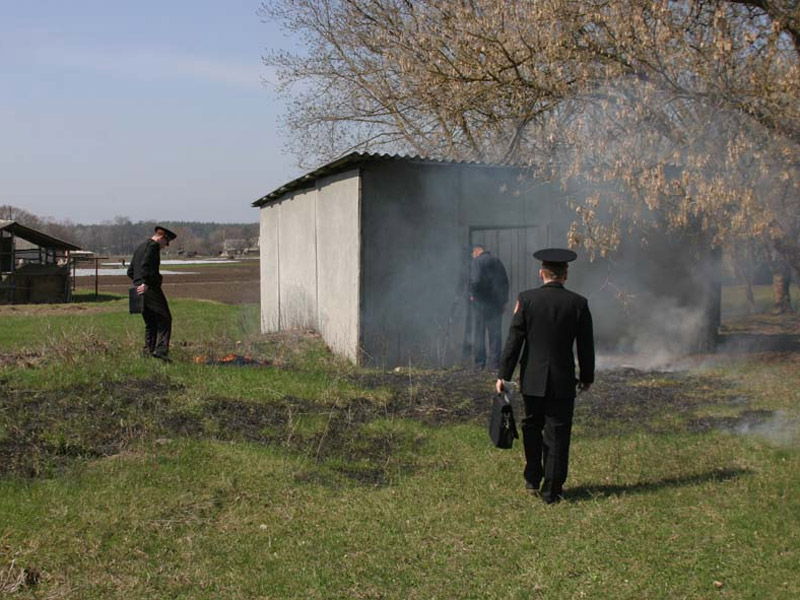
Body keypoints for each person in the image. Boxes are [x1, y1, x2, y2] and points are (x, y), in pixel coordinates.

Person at [496, 248, 594, 504]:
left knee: (531, 426)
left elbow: (514, 340)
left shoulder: (526, 300)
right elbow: (585, 345)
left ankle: (532, 476)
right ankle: (552, 490)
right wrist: (587, 376)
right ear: (566, 275)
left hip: (532, 379)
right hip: (562, 380)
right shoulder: (579, 304)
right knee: (558, 433)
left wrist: (503, 375)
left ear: (542, 274)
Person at [127, 225, 177, 362]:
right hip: (150, 289)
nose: (165, 246)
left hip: (138, 289)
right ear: (161, 238)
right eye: (166, 242)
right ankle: (161, 350)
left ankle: (147, 352)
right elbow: (145, 265)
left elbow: (130, 271)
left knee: (151, 323)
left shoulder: (140, 247)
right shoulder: (153, 247)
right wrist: (146, 284)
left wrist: (138, 283)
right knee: (165, 318)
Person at [469, 244, 509, 370]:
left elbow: (475, 281)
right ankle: (495, 364)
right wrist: (503, 301)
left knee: (479, 334)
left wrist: (474, 296)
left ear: (476, 251)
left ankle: (480, 364)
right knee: (495, 335)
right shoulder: (497, 261)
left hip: (481, 304)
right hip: (496, 304)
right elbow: (505, 282)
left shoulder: (477, 262)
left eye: (472, 254)